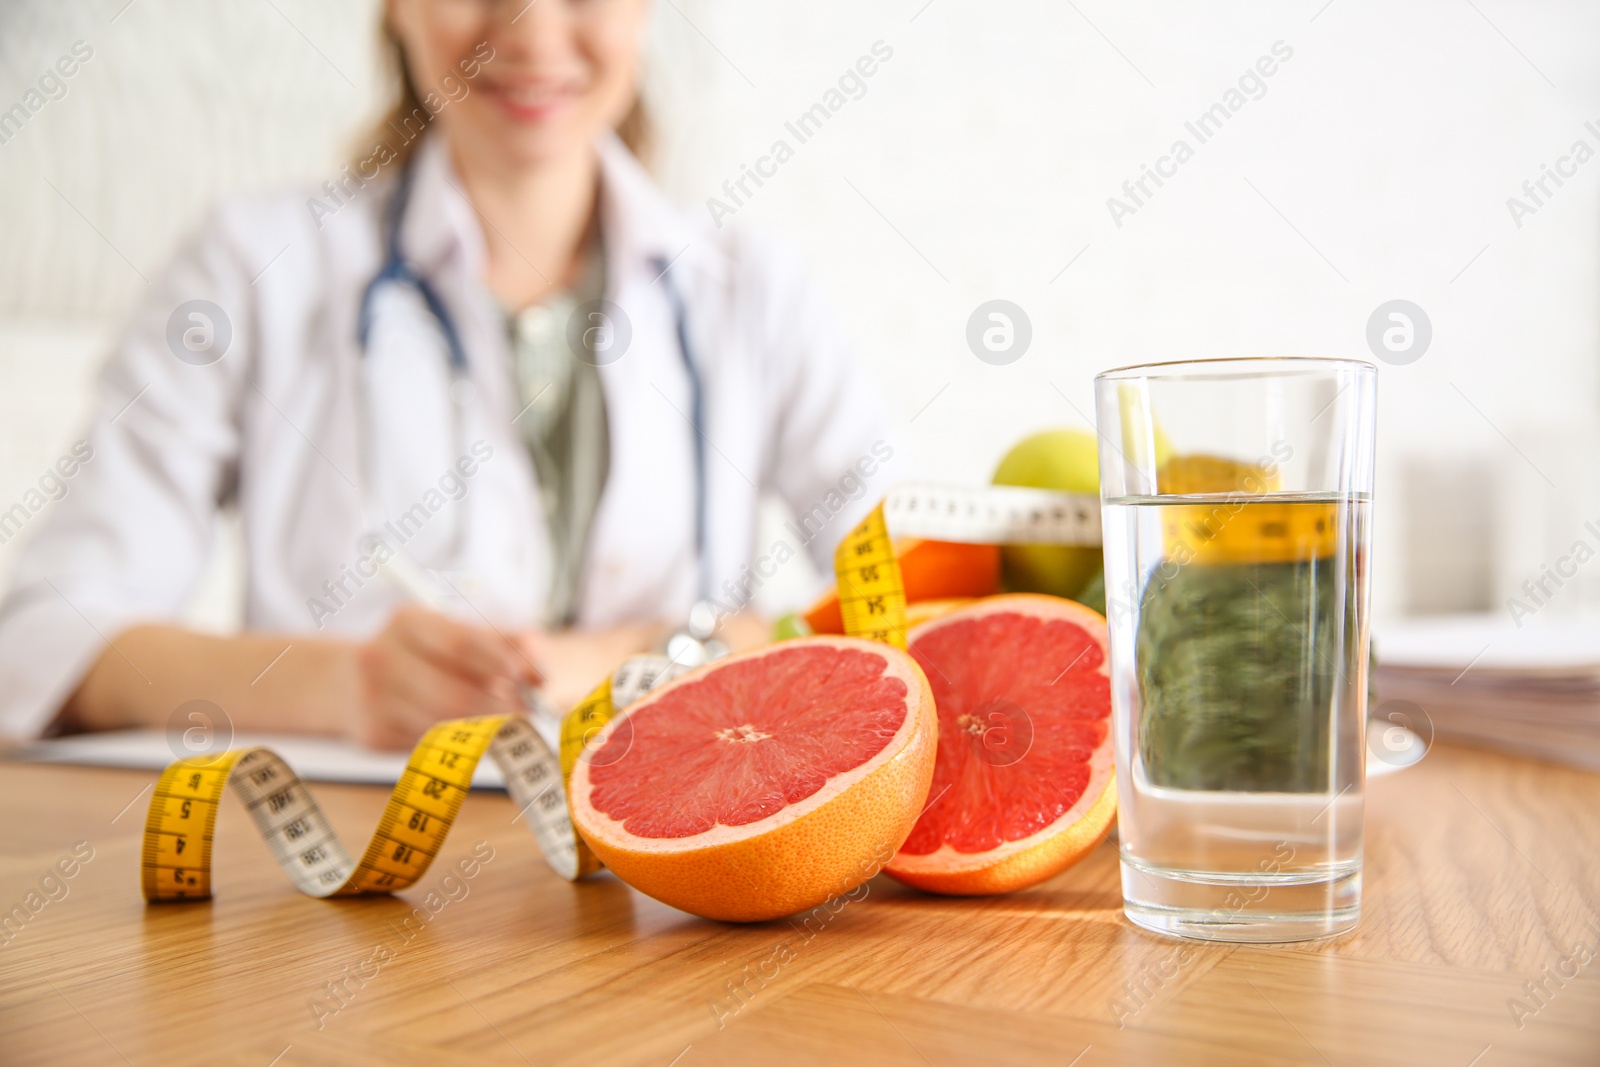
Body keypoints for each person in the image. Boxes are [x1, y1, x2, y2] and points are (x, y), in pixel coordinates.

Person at [0, 0, 896, 749]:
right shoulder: (250, 267)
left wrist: (659, 649)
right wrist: (350, 689)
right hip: (336, 904)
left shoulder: (751, 291)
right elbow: (42, 641)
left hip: (680, 897)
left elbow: (910, 605)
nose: (534, 32)